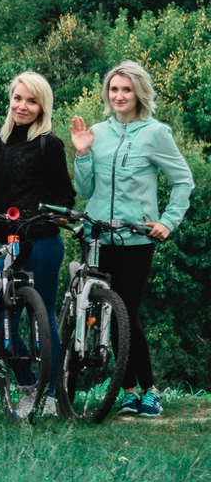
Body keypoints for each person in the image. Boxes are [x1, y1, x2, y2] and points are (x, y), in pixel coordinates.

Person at [70, 60, 193, 418]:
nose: (119, 95)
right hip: (96, 236)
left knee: (126, 313)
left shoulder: (156, 133)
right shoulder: (97, 132)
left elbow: (183, 180)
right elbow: (84, 190)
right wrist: (82, 153)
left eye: (126, 89)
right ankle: (127, 391)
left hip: (136, 240)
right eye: (114, 89)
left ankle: (148, 390)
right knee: (102, 312)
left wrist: (167, 222)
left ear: (139, 93)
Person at [0, 72, 76, 415]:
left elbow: (64, 194)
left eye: (32, 101)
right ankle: (28, 385)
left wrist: (53, 215)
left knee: (43, 319)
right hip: (9, 246)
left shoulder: (48, 144)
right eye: (18, 98)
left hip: (42, 242)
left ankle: (51, 395)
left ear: (42, 106)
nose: (23, 106)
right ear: (10, 100)